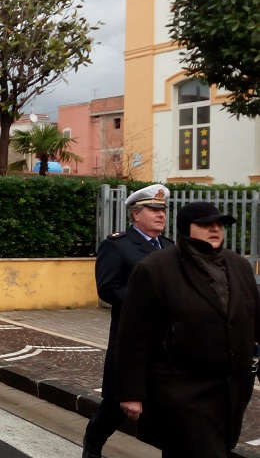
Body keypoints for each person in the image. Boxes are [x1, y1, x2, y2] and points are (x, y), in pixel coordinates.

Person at [117, 202, 258, 457]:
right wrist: (131, 392)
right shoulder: (156, 268)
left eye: (219, 224)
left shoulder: (238, 265)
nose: (215, 230)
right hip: (181, 389)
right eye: (205, 224)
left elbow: (254, 320)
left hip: (230, 389)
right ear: (186, 229)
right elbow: (133, 336)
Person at [82, 183, 172, 458]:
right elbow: (108, 288)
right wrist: (146, 302)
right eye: (153, 209)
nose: (160, 215)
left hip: (167, 340)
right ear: (136, 213)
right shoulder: (117, 245)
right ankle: (93, 444)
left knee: (168, 404)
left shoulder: (170, 247)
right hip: (131, 336)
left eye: (163, 210)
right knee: (115, 403)